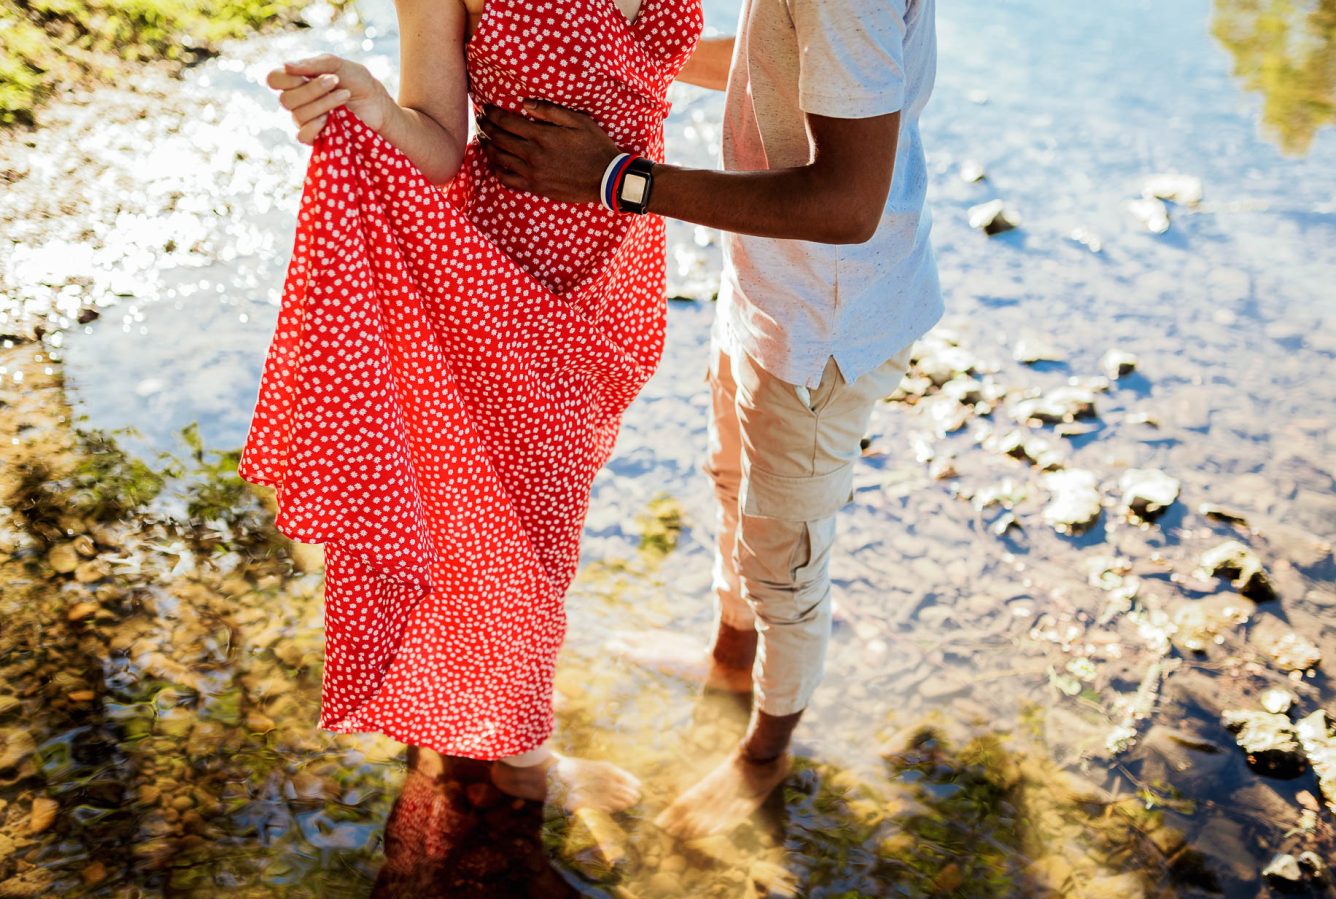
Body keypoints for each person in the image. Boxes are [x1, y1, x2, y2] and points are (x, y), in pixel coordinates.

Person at [480, 0, 943, 837]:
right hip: (771, 284)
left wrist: (616, 177)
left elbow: (848, 204)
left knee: (788, 565)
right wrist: (615, 52)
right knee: (733, 483)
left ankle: (767, 753)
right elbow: (773, 64)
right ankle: (730, 664)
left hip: (824, 323)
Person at [241, 0, 702, 810]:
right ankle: (521, 765)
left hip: (618, 271)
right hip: (501, 285)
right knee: (530, 540)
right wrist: (377, 110)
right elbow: (443, 147)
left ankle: (451, 709)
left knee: (518, 516)